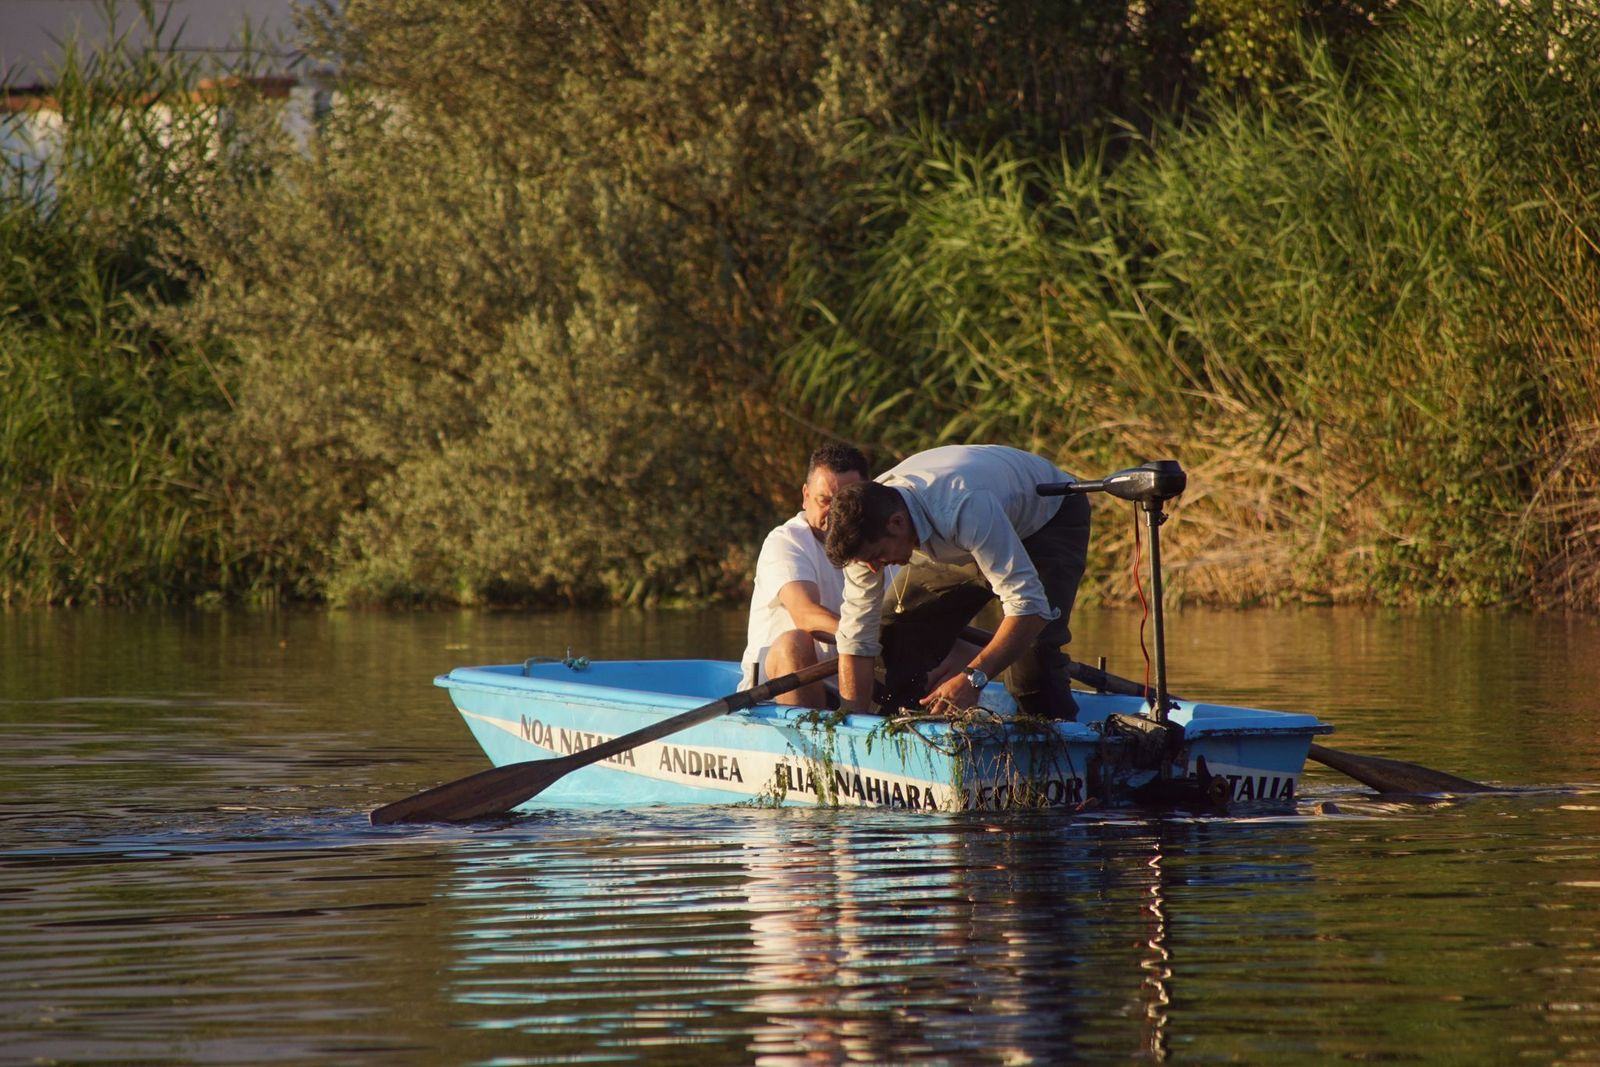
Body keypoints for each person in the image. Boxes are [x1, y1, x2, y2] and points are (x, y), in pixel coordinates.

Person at [823, 444, 1090, 720]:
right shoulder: (864, 534)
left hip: (1047, 517)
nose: (874, 567)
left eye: (878, 556)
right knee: (893, 631)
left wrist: (974, 677)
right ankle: (899, 723)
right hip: (965, 532)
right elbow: (856, 639)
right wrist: (851, 721)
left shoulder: (964, 507)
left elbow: (1030, 609)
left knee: (1031, 661)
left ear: (897, 523)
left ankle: (1056, 736)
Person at [739, 443, 876, 706]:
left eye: (846, 504)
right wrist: (869, 639)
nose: (835, 514)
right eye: (824, 501)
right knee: (795, 642)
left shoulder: (883, 547)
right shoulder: (786, 541)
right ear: (805, 496)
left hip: (848, 685)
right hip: (775, 690)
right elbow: (806, 616)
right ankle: (809, 730)